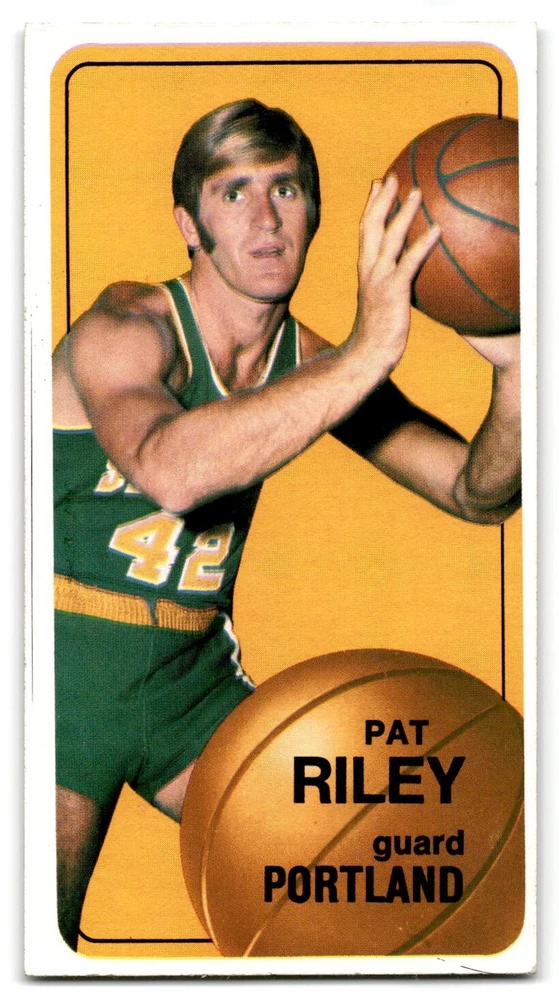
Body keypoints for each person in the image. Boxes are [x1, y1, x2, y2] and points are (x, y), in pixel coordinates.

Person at [52, 98, 520, 950]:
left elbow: (475, 493)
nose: (265, 218)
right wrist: (368, 350)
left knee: (379, 889)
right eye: (232, 193)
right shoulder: (127, 326)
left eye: (286, 189)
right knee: (28, 949)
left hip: (188, 683)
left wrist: (521, 368)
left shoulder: (307, 363)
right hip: (54, 666)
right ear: (189, 225)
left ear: (316, 214)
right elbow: (171, 470)